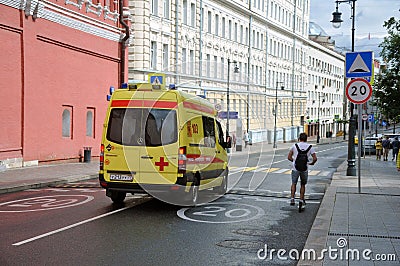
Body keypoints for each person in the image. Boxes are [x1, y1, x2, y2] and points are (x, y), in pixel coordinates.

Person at [287, 133, 317, 210]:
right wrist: (311, 163)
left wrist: (294, 161)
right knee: (303, 184)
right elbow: (315, 158)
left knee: (294, 183)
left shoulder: (294, 146)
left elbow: (289, 157)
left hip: (295, 168)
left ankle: (292, 198)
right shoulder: (310, 147)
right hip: (304, 168)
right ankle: (301, 200)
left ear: (299, 138)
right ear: (306, 139)